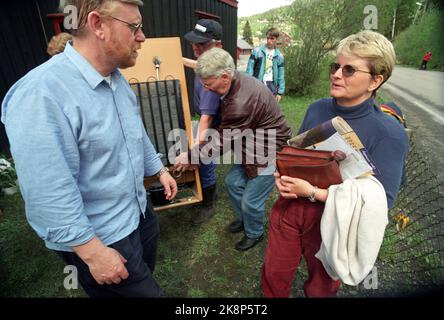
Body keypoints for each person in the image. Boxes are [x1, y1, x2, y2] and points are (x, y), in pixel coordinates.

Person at [1, 0, 177, 297]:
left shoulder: (116, 77)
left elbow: (134, 131)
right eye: (134, 26)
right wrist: (92, 252)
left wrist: (158, 169)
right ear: (98, 25)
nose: (142, 36)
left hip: (139, 213)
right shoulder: (40, 94)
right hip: (102, 238)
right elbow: (46, 193)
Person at [261, 30, 409, 297]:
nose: (336, 74)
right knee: (274, 273)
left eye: (349, 69)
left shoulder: (390, 134)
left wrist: (314, 193)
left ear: (375, 80)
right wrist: (282, 174)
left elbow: (381, 202)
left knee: (322, 286)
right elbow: (298, 155)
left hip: (335, 221)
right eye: (336, 66)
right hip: (290, 207)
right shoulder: (317, 108)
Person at [175, 48, 291, 251]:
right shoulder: (234, 81)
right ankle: (245, 220)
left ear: (225, 77)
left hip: (269, 150)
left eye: (208, 83)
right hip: (251, 145)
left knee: (251, 201)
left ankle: (254, 232)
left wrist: (192, 155)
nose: (205, 87)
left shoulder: (240, 102)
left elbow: (222, 140)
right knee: (232, 182)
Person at [183, 19, 223, 225]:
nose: (195, 47)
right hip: (206, 119)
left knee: (204, 159)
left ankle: (208, 204)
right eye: (194, 42)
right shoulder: (206, 64)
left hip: (216, 123)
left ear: (217, 46)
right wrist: (177, 59)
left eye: (202, 44)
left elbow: (207, 118)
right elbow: (195, 64)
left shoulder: (213, 78)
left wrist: (196, 151)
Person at [246, 27, 285, 103]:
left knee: (269, 109)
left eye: (272, 38)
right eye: (268, 38)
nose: (269, 41)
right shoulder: (257, 51)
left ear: (276, 39)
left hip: (271, 85)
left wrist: (280, 92)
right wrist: (249, 84)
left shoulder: (279, 56)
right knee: (256, 107)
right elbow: (249, 69)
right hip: (258, 83)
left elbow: (281, 74)